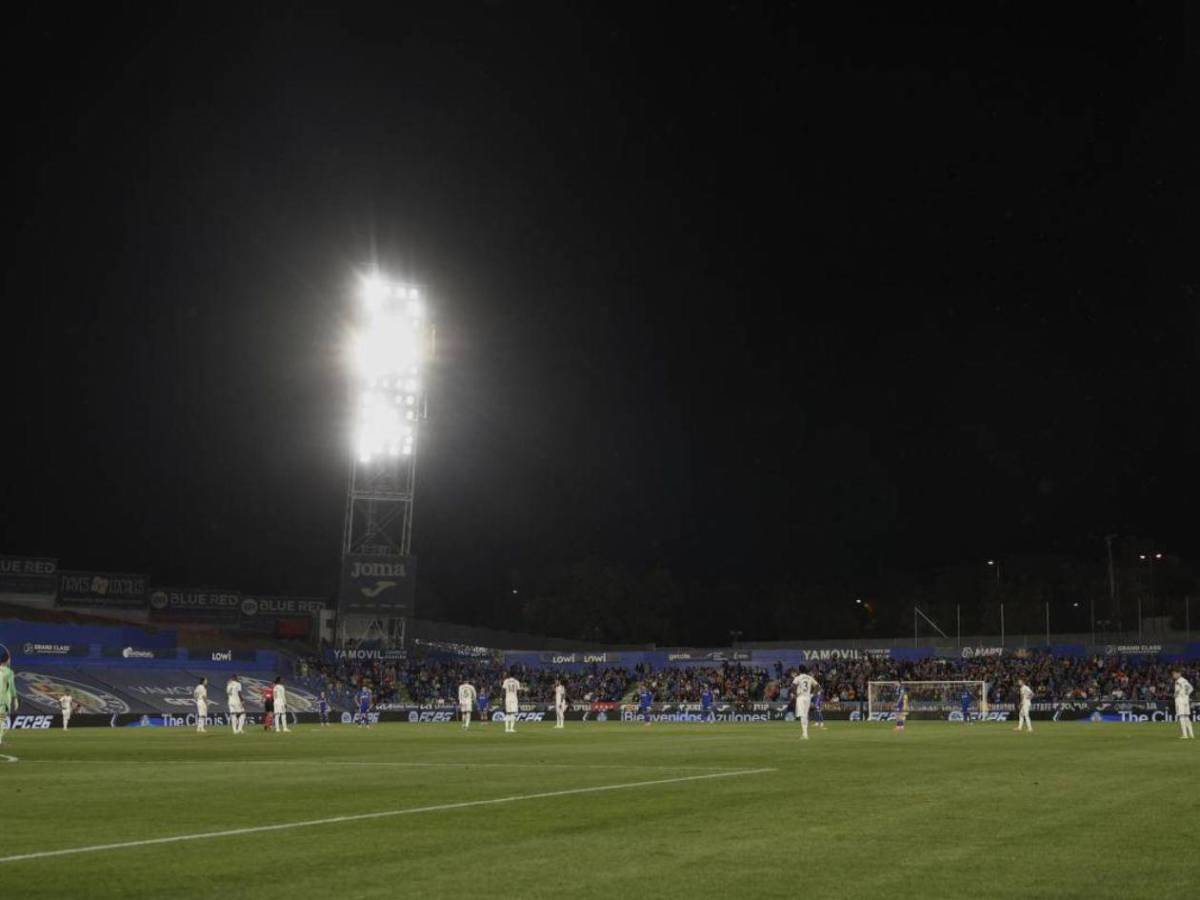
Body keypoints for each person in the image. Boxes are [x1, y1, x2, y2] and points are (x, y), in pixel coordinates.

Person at [791, 666, 820, 739]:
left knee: (802, 715)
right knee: (805, 715)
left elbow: (793, 686)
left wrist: (795, 694)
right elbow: (817, 686)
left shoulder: (798, 677)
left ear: (799, 670)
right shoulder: (809, 677)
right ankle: (805, 734)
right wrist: (812, 694)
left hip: (801, 697)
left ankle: (805, 734)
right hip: (808, 697)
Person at [1173, 670, 1194, 740]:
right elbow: (1191, 688)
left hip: (1180, 700)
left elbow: (1177, 691)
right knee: (1186, 717)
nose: (1173, 675)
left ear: (1178, 673)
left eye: (1174, 674)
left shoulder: (1178, 681)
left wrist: (1176, 695)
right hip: (1185, 700)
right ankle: (1191, 734)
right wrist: (1186, 694)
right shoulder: (1185, 680)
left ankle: (1185, 735)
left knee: (1182, 717)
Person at [0, 647, 15, 746]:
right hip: (3, 699)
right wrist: (15, 698)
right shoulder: (9, 672)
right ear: (7, 660)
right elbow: (11, 688)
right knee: (1, 720)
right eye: (9, 659)